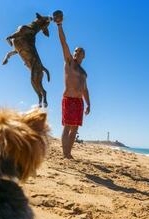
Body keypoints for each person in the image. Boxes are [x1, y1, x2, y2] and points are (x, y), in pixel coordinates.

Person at [55, 16, 91, 159]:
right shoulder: (69, 62)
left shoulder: (83, 72)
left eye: (78, 52)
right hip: (69, 99)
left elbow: (85, 90)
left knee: (75, 128)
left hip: (79, 102)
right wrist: (59, 25)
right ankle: (65, 154)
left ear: (83, 55)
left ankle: (69, 153)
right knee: (67, 126)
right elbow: (63, 43)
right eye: (75, 51)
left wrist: (88, 104)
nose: (75, 53)